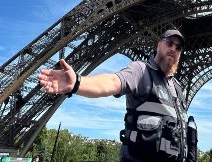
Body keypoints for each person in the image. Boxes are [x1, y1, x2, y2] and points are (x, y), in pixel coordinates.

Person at [38, 29, 190, 162]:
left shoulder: (177, 87)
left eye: (178, 47)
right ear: (158, 45)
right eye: (169, 43)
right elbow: (113, 81)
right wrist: (78, 83)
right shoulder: (141, 70)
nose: (173, 49)